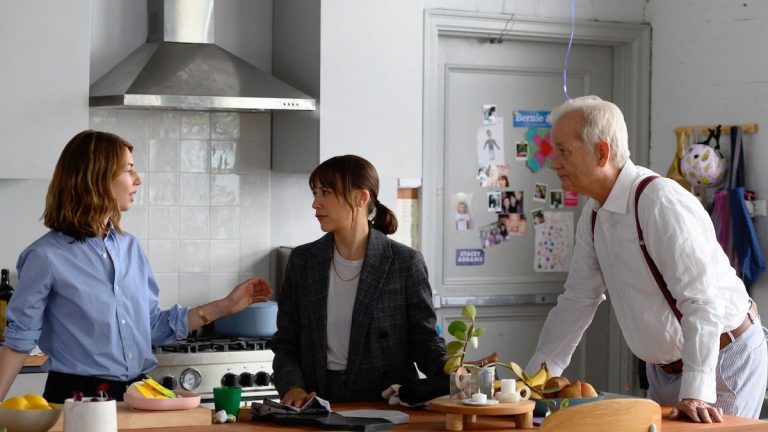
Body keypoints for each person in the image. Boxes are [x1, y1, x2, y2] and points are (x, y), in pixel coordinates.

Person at [526, 96, 767, 422]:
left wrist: (696, 390)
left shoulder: (659, 202)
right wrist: (535, 379)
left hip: (723, 357)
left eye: (564, 151)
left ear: (602, 152)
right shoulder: (593, 215)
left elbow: (701, 301)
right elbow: (577, 300)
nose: (554, 163)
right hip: (664, 369)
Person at [0, 130, 272, 403]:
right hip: (78, 399)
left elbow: (151, 326)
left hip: (138, 394)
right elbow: (19, 341)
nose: (138, 179)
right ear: (97, 177)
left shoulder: (130, 248)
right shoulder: (45, 256)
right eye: (129, 169)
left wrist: (226, 306)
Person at [271, 155, 447, 407]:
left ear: (360, 198)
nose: (315, 203)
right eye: (314, 192)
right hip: (316, 401)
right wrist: (293, 386)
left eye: (325, 192)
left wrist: (454, 372)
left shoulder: (404, 262)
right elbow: (286, 342)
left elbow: (425, 340)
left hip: (384, 403)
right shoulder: (302, 261)